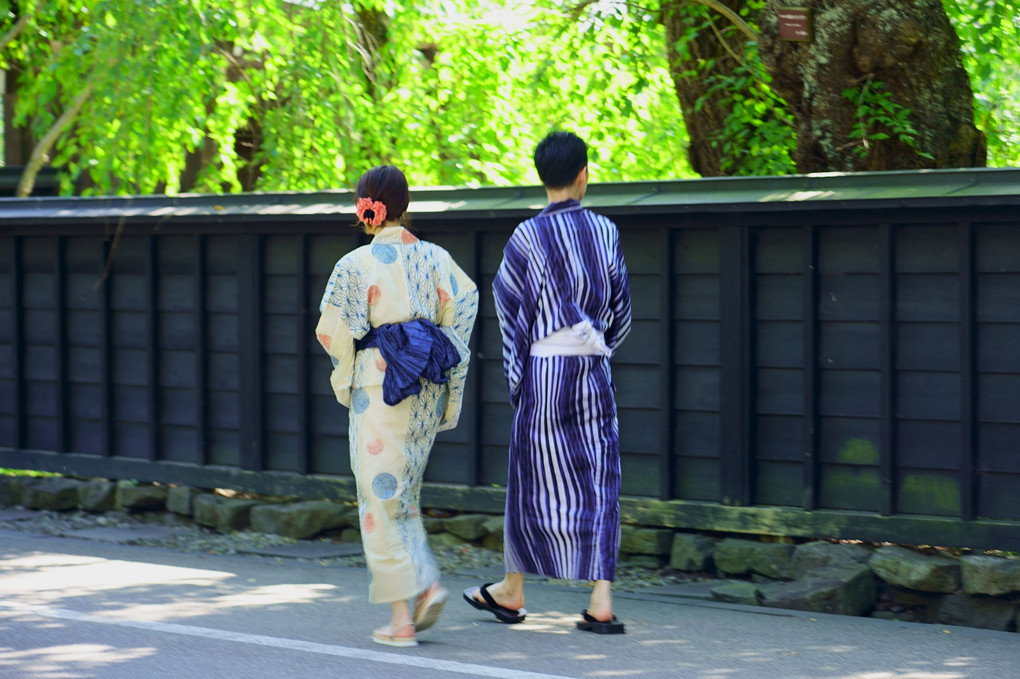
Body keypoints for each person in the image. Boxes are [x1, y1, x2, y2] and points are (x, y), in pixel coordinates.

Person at [463, 131, 632, 634]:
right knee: (599, 480)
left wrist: (520, 382)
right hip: (592, 369)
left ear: (543, 178)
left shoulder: (523, 238)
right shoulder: (605, 232)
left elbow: (509, 313)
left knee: (530, 478)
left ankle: (513, 589)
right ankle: (601, 600)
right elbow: (620, 312)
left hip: (542, 371)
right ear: (585, 174)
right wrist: (597, 348)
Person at [316, 165, 479, 647]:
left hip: (381, 385)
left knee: (378, 498)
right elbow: (465, 305)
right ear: (404, 205)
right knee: (402, 494)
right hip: (424, 381)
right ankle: (422, 583)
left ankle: (403, 616)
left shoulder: (355, 265)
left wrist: (345, 376)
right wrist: (440, 357)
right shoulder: (438, 259)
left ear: (367, 207)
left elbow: (332, 331)